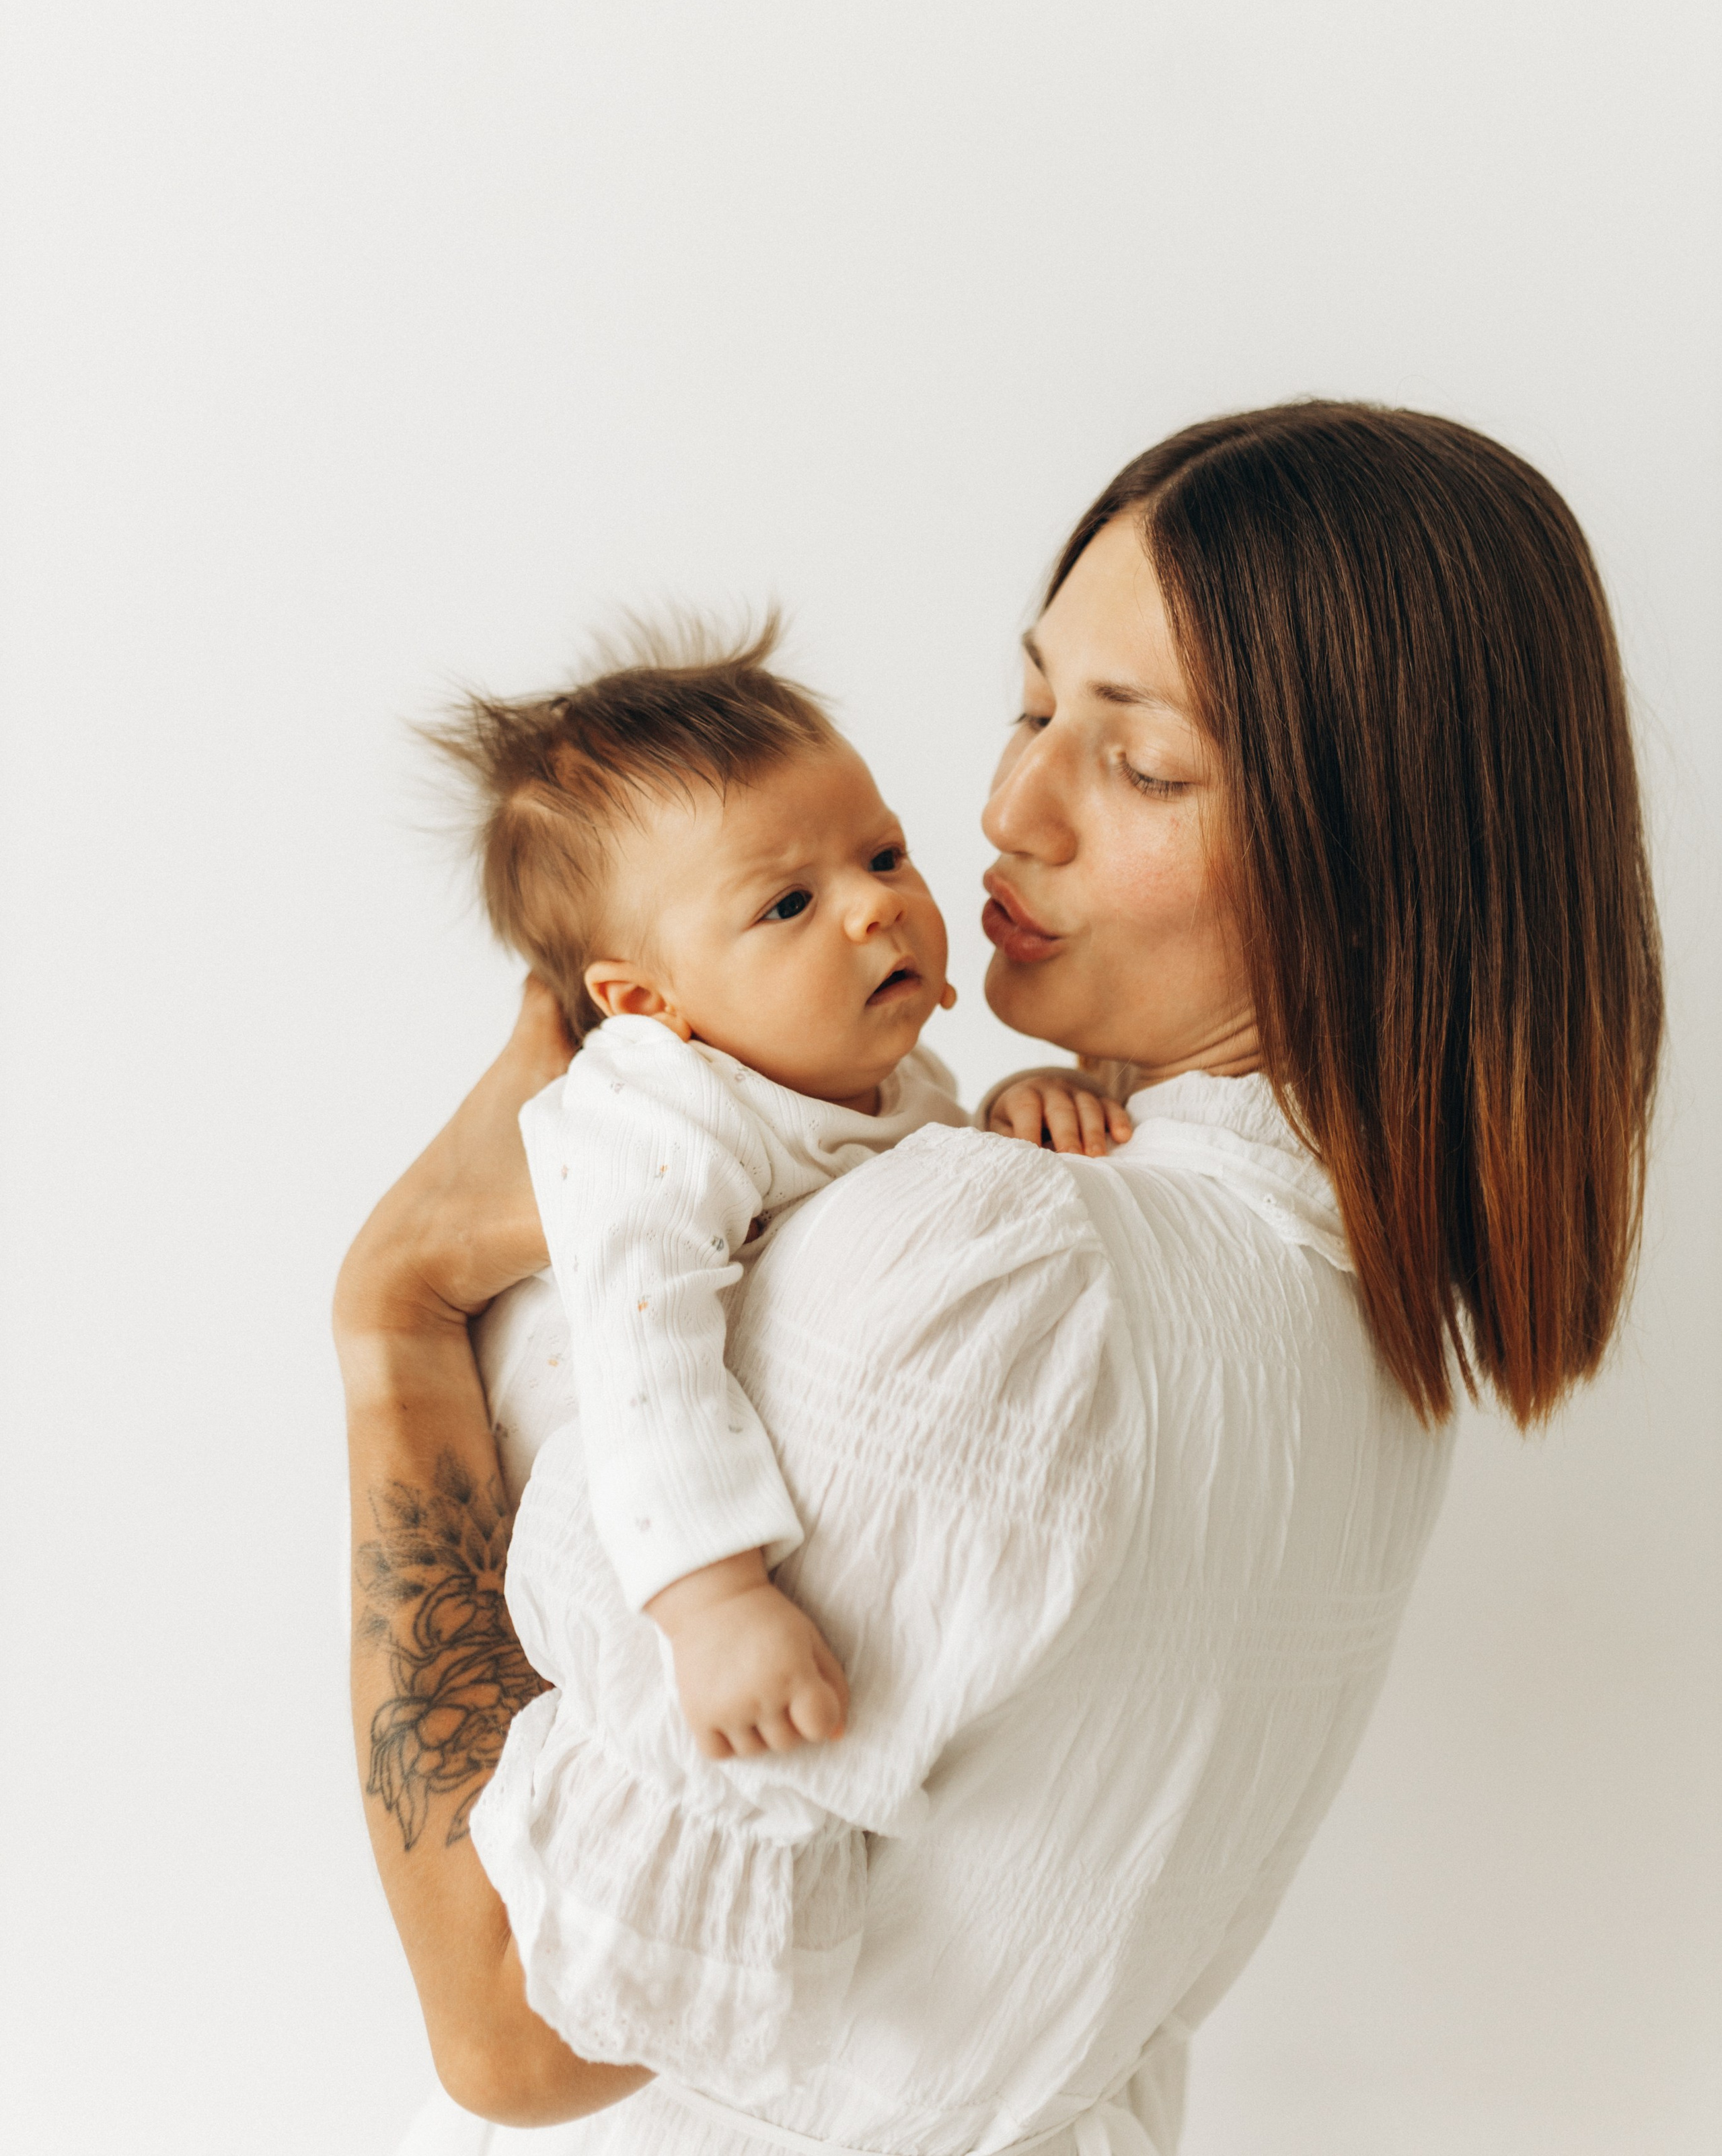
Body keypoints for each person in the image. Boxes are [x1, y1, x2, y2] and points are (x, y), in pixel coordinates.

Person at [338, 400, 1663, 2156]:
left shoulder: (1001, 1278)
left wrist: (398, 1317)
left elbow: (517, 2040)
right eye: (1036, 703)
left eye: (1143, 764)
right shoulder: (1371, 1326)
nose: (999, 808)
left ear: (1368, 858)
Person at [421, 636, 1128, 1763]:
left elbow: (914, 1176)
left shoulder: (891, 1079)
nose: (872, 910)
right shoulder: (653, 1112)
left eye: (885, 855)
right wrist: (712, 1599)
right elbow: (644, 1351)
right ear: (647, 1000)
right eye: (789, 902)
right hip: (603, 1526)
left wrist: (1018, 1101)